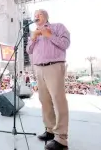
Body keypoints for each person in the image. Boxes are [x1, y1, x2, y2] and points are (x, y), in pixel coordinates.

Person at [27, 9, 70, 150]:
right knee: (44, 100)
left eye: (38, 14)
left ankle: (61, 138)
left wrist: (49, 35)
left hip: (54, 66)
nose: (35, 16)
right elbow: (29, 50)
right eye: (34, 15)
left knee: (58, 100)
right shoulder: (34, 33)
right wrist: (33, 37)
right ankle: (50, 130)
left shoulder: (58, 27)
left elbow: (65, 44)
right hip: (39, 68)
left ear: (45, 16)